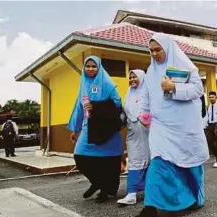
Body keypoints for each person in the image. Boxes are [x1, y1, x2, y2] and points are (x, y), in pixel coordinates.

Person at [136, 33, 209, 217]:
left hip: (183, 126)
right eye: (151, 50)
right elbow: (146, 97)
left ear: (167, 48)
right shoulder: (150, 72)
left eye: (157, 49)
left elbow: (198, 89)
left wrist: (174, 87)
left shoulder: (184, 65)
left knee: (187, 165)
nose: (154, 54)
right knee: (159, 162)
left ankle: (191, 198)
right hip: (160, 126)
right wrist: (143, 114)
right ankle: (151, 206)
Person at [68, 56, 123, 203]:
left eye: (94, 66)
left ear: (99, 68)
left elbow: (117, 103)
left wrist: (96, 106)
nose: (91, 69)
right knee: (79, 156)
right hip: (88, 127)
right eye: (88, 66)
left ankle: (104, 191)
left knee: (108, 163)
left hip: (107, 128)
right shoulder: (84, 84)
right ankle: (97, 183)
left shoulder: (108, 83)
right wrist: (75, 128)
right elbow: (79, 106)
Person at [117, 70, 150, 206]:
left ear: (142, 78)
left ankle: (152, 192)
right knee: (135, 160)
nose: (131, 79)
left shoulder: (148, 92)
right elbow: (125, 112)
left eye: (134, 77)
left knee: (152, 161)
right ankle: (131, 194)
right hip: (133, 134)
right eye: (130, 77)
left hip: (149, 134)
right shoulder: (128, 94)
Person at [204, 91, 217, 168]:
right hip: (209, 126)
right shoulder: (208, 107)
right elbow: (206, 117)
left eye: (213, 97)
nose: (211, 98)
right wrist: (205, 126)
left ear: (216, 98)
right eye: (210, 97)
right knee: (209, 141)